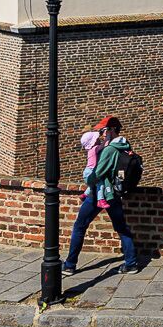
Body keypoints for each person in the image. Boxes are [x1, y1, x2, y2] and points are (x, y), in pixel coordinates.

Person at [62, 118, 139, 276]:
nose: (101, 135)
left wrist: (88, 179)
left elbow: (98, 174)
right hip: (114, 193)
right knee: (121, 228)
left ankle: (69, 265)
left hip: (101, 194)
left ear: (111, 130)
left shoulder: (109, 149)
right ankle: (131, 263)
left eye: (103, 131)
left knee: (79, 227)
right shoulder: (124, 145)